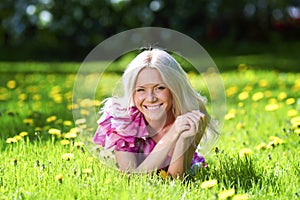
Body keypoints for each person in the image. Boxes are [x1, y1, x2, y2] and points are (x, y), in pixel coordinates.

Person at [93, 48, 219, 178]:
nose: (151, 98)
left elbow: (176, 179)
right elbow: (131, 177)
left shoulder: (190, 114)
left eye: (160, 88)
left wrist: (183, 139)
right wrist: (172, 134)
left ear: (174, 87)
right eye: (141, 90)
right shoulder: (123, 120)